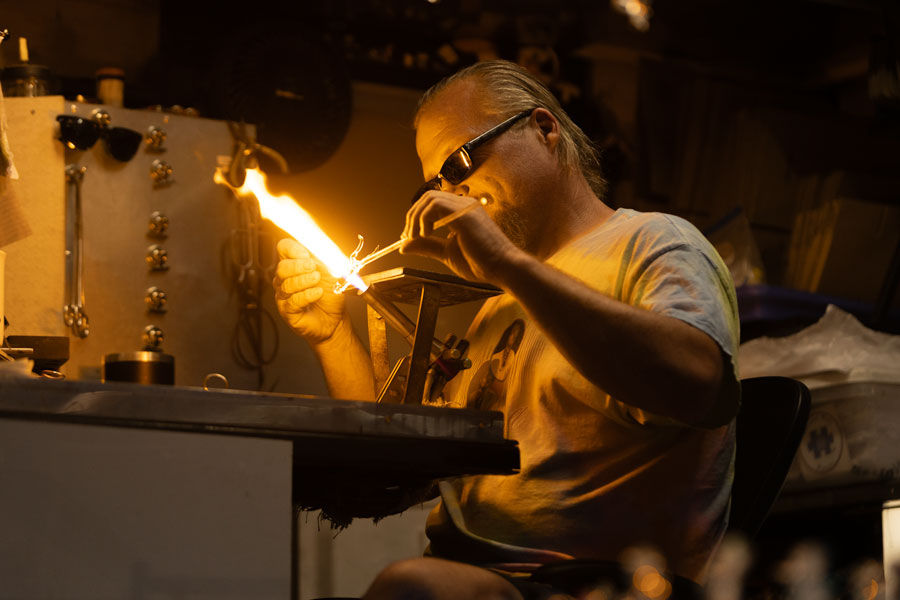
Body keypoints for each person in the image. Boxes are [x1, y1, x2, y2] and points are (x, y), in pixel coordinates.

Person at [273, 60, 740, 599]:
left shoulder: (654, 243)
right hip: (478, 577)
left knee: (412, 588)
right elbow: (398, 466)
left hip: (592, 587)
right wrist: (333, 336)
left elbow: (699, 384)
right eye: (438, 182)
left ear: (543, 129)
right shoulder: (503, 304)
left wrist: (506, 265)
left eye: (460, 161)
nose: (453, 190)